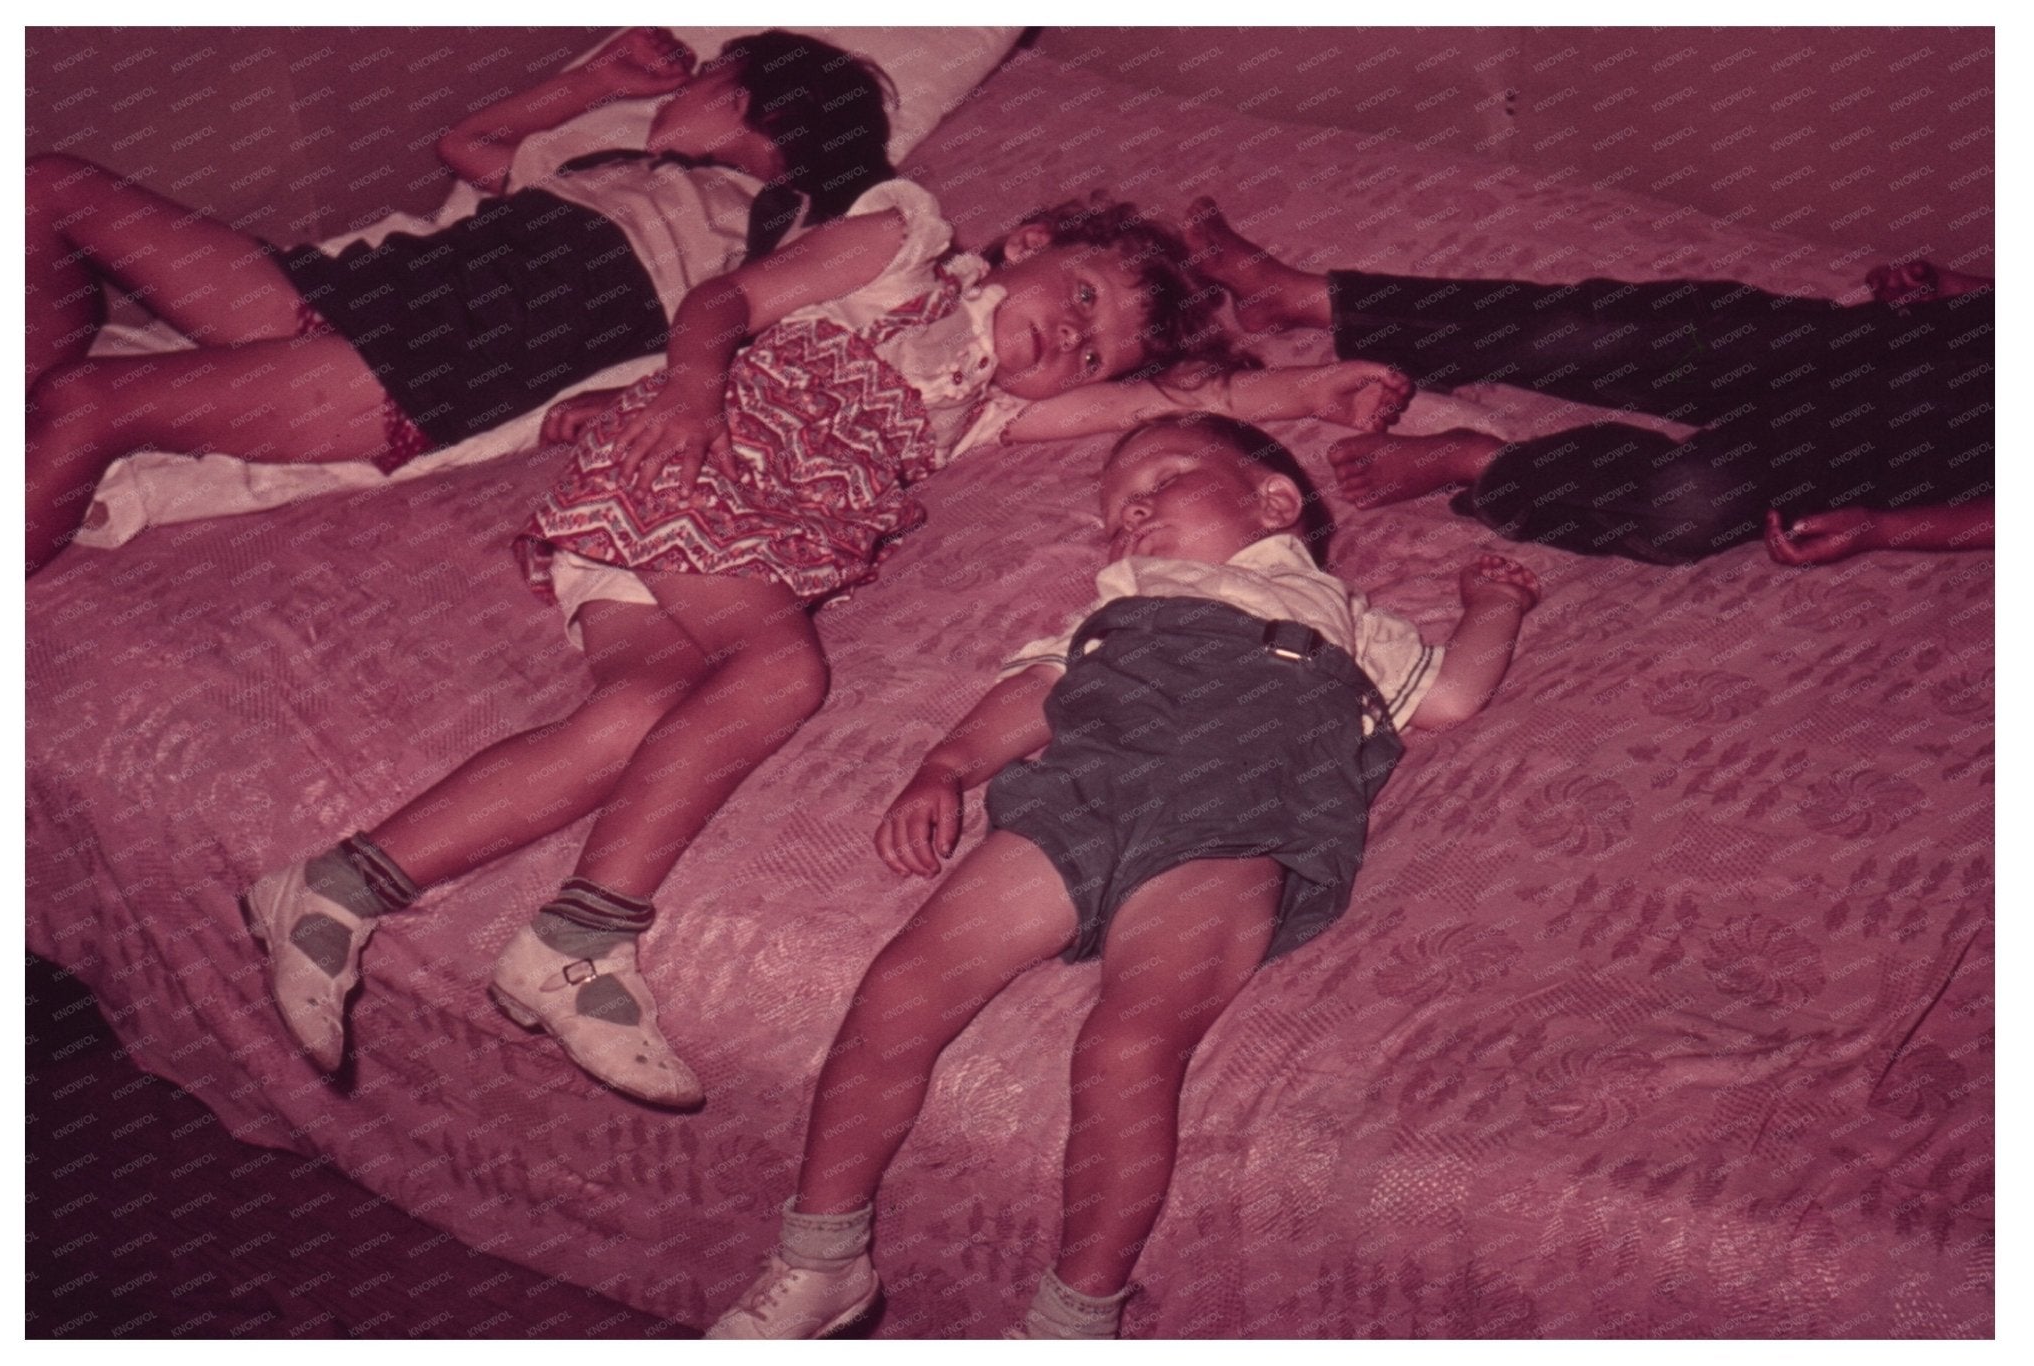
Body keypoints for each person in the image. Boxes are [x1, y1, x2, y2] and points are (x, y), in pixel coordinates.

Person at [240, 184, 1413, 1108]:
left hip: (713, 540)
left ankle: (337, 882)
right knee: (781, 670)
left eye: (1095, 349)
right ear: (1032, 241)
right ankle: (583, 933)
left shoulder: (985, 406)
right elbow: (722, 301)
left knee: (639, 716)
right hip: (687, 464)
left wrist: (1310, 394)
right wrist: (693, 394)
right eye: (1086, 294)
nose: (1072, 340)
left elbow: (1135, 418)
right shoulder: (899, 250)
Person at [706, 412, 1540, 1339]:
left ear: (1273, 502)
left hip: (1239, 821)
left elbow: (1451, 697)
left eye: (1162, 480)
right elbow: (1036, 694)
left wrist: (1490, 607)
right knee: (902, 985)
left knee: (1127, 1045)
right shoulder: (1114, 605)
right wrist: (945, 765)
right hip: (1086, 794)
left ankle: (1073, 1319)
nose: (1132, 514)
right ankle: (821, 1259)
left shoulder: (1342, 616)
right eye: (1114, 512)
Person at [25, 29, 897, 574]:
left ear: (752, 103)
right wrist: (598, 82)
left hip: (432, 360)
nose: (680, 88)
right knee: (50, 186)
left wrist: (660, 389)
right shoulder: (611, 167)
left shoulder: (778, 224)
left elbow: (789, 331)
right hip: (359, 287)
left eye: (705, 76)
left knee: (90, 401)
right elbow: (467, 145)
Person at [1181, 198, 1995, 568]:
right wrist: (1956, 289)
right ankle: (1304, 296)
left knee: (1686, 502)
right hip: (1864, 344)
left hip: (1897, 448)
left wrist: (1888, 530)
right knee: (1600, 329)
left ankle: (1482, 463)